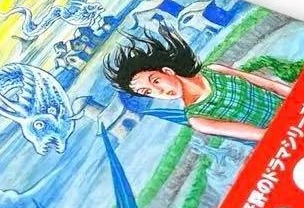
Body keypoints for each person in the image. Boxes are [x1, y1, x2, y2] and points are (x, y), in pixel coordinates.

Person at [103, 25, 293, 143]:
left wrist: (303, 99)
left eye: (156, 81)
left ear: (167, 71)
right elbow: (264, 135)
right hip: (289, 132)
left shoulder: (214, 70)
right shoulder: (198, 119)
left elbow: (272, 86)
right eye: (147, 91)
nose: (159, 91)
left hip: (300, 105)